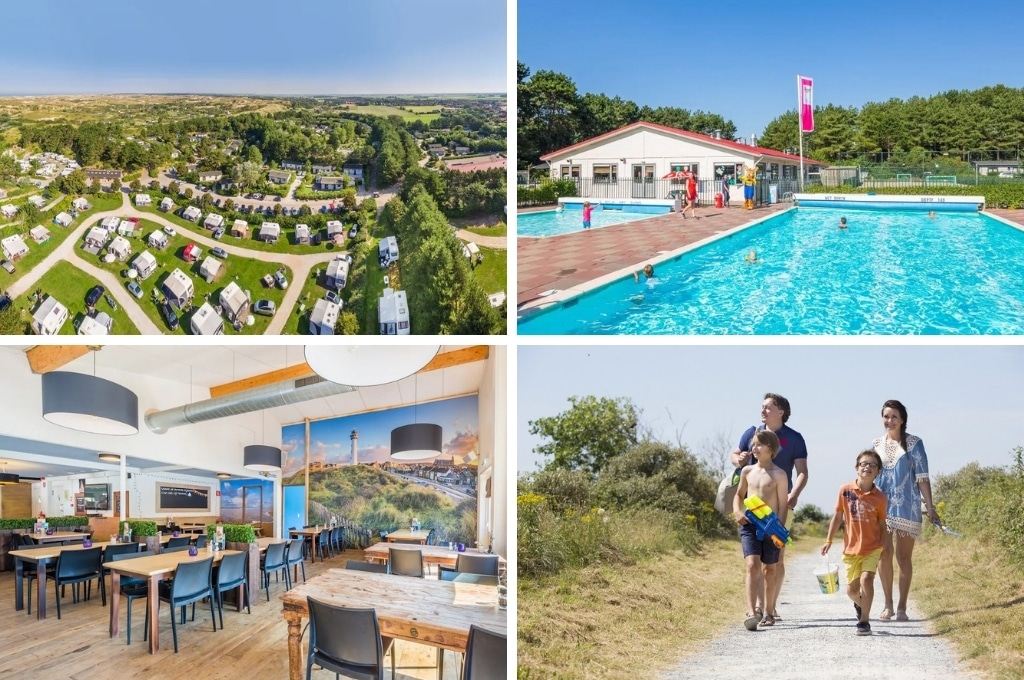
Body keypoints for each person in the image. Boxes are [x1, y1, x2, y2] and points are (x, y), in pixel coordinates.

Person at [731, 393, 809, 621]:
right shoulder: (751, 432)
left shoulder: (794, 438)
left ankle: (770, 607)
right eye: (762, 407)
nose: (763, 411)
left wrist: (794, 494)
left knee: (776, 560)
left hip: (780, 505)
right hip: (752, 509)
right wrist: (739, 460)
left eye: (768, 407)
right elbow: (735, 455)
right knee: (753, 562)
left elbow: (803, 471)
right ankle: (755, 607)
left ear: (781, 411)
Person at [871, 399, 940, 622]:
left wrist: (929, 507)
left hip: (907, 507)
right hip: (882, 507)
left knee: (903, 557)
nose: (889, 420)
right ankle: (888, 606)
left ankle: (902, 607)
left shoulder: (914, 443)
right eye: (886, 416)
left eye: (893, 417)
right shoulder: (876, 444)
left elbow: (922, 478)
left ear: (902, 420)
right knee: (884, 554)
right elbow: (871, 476)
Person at [822, 449, 888, 636]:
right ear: (856, 468)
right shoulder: (845, 491)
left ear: (878, 472)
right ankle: (861, 604)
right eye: (864, 464)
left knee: (867, 579)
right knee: (851, 590)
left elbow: (882, 524)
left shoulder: (881, 498)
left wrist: (885, 546)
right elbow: (837, 516)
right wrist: (829, 540)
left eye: (873, 465)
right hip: (851, 548)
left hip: (873, 547)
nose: (867, 467)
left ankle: (864, 621)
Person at [733, 430, 788, 629]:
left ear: (770, 448)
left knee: (769, 569)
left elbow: (783, 505)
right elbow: (738, 495)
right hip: (749, 524)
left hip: (771, 526)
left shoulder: (779, 474)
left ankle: (768, 611)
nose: (754, 449)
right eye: (753, 445)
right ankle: (751, 611)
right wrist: (737, 512)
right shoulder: (747, 471)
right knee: (751, 565)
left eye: (758, 445)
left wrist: (778, 530)